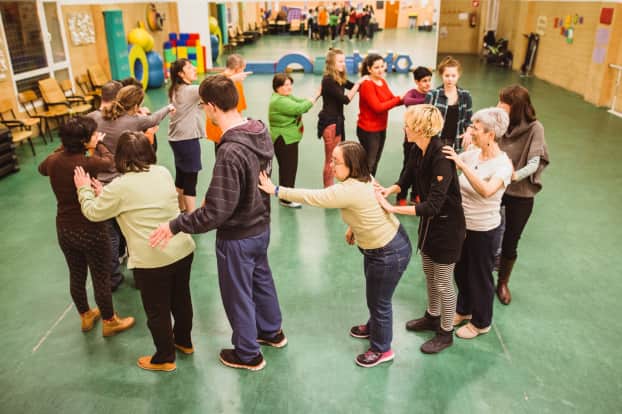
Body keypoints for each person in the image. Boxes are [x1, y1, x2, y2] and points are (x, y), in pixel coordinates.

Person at [150, 75, 285, 372]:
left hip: (237, 236)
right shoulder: (259, 132)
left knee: (237, 294)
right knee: (261, 280)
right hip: (261, 226)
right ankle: (272, 331)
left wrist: (176, 224)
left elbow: (215, 212)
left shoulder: (230, 151)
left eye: (202, 106)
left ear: (211, 107)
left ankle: (248, 354)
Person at [258, 141, 412, 368]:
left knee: (380, 301)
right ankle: (375, 328)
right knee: (375, 295)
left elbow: (314, 197)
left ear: (352, 165)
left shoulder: (347, 190)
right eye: (332, 160)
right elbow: (366, 207)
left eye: (336, 162)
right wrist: (354, 229)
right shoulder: (364, 178)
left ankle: (382, 349)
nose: (331, 166)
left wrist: (277, 190)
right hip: (384, 245)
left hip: (388, 252)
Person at [74, 131, 196, 372]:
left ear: (120, 157)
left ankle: (164, 358)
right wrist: (105, 195)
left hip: (152, 260)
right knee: (181, 300)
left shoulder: (119, 186)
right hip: (182, 249)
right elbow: (140, 202)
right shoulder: (162, 171)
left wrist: (84, 190)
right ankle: (184, 342)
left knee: (157, 310)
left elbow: (93, 212)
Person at [375, 104, 465, 354]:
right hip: (429, 226)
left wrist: (393, 210)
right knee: (429, 272)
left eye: (408, 124)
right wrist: (390, 190)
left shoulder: (442, 158)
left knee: (444, 282)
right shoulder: (418, 149)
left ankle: (446, 333)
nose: (404, 127)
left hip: (447, 227)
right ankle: (432, 316)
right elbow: (407, 176)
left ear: (420, 128)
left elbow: (434, 205)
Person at [38, 116, 135, 337]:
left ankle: (86, 315)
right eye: (92, 134)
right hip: (91, 229)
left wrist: (66, 146)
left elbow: (42, 168)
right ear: (83, 141)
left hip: (64, 229)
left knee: (76, 274)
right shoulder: (87, 163)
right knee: (100, 277)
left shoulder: (54, 161)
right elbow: (110, 161)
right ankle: (110, 321)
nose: (96, 135)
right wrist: (98, 144)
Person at [442, 108, 512, 339]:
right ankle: (464, 310)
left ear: (491, 135)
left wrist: (462, 167)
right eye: (471, 126)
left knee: (480, 276)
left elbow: (486, 191)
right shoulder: (472, 154)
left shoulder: (503, 166)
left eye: (476, 128)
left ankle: (482, 322)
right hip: (463, 226)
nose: (471, 132)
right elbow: (448, 159)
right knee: (461, 271)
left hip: (484, 230)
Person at [98, 84, 175, 290]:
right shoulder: (134, 121)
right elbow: (154, 119)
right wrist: (168, 107)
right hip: (123, 182)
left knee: (110, 236)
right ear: (137, 105)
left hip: (101, 184)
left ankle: (112, 278)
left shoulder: (98, 117)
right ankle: (139, 276)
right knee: (129, 232)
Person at [495, 85, 549, 305]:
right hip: (495, 188)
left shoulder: (535, 128)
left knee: (511, 240)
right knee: (486, 233)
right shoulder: (500, 122)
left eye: (503, 102)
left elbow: (535, 163)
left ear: (516, 107)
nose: (498, 106)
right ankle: (481, 275)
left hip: (520, 193)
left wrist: (513, 176)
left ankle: (503, 282)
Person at [268, 73, 320, 208]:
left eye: (290, 84)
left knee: (287, 169)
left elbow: (299, 101)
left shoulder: (284, 97)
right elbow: (300, 108)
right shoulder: (279, 101)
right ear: (277, 87)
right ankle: (286, 199)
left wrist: (309, 99)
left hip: (287, 139)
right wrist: (316, 96)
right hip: (284, 140)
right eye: (286, 85)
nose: (289, 87)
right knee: (288, 169)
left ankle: (284, 195)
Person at [318, 48, 366, 187]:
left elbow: (352, 86)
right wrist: (358, 84)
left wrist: (365, 83)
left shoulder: (339, 78)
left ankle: (332, 187)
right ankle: (328, 190)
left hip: (337, 122)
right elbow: (346, 99)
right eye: (340, 61)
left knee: (337, 157)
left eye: (344, 61)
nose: (343, 64)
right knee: (330, 160)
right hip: (330, 123)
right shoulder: (328, 80)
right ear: (331, 64)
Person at [357, 53, 402, 175]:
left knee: (375, 161)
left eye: (382, 66)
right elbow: (378, 108)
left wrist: (408, 98)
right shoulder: (367, 85)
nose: (380, 70)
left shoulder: (382, 81)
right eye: (376, 67)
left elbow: (391, 99)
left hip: (381, 128)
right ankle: (363, 188)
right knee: (369, 163)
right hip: (369, 130)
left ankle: (370, 185)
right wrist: (398, 99)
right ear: (369, 69)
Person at [168, 58, 203, 213]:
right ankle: (191, 215)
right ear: (181, 74)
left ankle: (180, 207)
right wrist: (230, 76)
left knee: (181, 175)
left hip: (177, 139)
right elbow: (212, 86)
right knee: (190, 178)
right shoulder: (189, 90)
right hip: (187, 139)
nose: (194, 68)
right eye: (189, 67)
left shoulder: (176, 89)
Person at [396, 66, 433, 206]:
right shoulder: (412, 94)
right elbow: (407, 101)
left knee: (422, 167)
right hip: (410, 140)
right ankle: (401, 195)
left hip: (424, 139)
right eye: (424, 81)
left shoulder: (432, 94)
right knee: (408, 167)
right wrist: (427, 102)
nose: (427, 84)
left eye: (429, 80)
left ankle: (416, 194)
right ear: (417, 82)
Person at [425, 56, 473, 151]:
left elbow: (469, 121)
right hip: (435, 141)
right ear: (441, 75)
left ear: (458, 75)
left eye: (453, 76)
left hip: (455, 142)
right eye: (447, 76)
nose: (450, 79)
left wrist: (469, 131)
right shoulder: (433, 95)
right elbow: (424, 120)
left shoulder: (465, 96)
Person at [205, 54, 250, 150]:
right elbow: (237, 110)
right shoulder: (235, 84)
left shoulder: (215, 79)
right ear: (237, 69)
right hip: (226, 130)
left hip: (215, 128)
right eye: (242, 69)